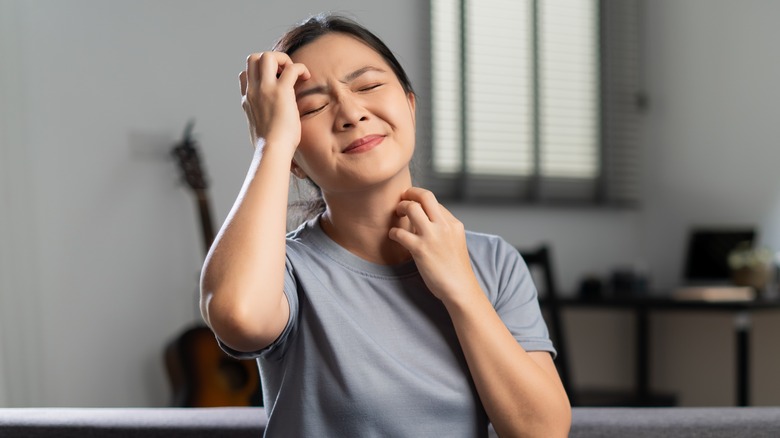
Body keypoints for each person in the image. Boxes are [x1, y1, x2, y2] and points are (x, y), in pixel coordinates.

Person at [199, 13, 571, 437]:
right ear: (295, 161)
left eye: (369, 86)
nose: (351, 113)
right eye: (314, 107)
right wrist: (272, 143)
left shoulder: (494, 262)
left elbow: (542, 432)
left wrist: (460, 287)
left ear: (410, 106)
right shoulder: (286, 273)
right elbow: (237, 315)